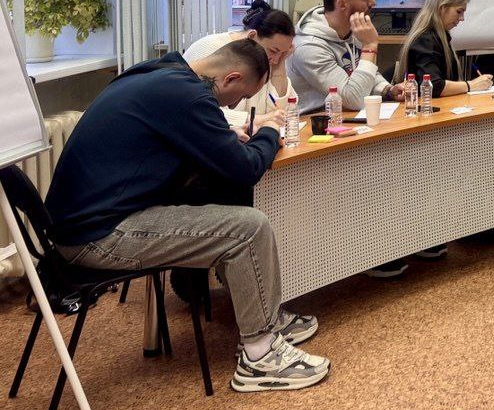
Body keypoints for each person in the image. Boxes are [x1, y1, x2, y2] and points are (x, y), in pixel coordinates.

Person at [44, 41, 329, 392]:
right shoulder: (189, 97)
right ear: (231, 78)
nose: (234, 106)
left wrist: (221, 137)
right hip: (97, 237)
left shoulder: (160, 73)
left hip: (80, 222)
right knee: (248, 229)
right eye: (240, 96)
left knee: (219, 196)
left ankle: (263, 319)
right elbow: (245, 169)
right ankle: (260, 357)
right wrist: (269, 131)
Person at [288, 0, 405, 114]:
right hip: (312, 120)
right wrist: (369, 46)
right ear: (342, 4)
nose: (373, 2)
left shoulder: (353, 30)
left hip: (341, 115)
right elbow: (353, 99)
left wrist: (388, 90)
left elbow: (363, 74)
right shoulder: (308, 47)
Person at [185, 0, 297, 136]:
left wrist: (280, 64)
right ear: (252, 36)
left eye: (283, 53)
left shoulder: (271, 60)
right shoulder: (211, 49)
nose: (275, 60)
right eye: (273, 51)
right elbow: (201, 110)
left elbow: (283, 110)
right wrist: (258, 120)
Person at [394, 0, 494, 96]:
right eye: (459, 11)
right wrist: (471, 85)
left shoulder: (441, 37)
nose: (462, 18)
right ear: (442, 8)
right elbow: (432, 85)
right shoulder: (425, 40)